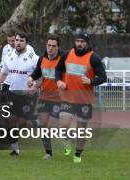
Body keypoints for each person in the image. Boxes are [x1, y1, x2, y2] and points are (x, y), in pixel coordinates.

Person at [54, 33, 107, 163]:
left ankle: (77, 154)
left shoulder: (94, 58)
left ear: (87, 43)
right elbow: (58, 69)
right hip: (68, 97)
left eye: (82, 41)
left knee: (81, 129)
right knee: (63, 124)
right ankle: (68, 141)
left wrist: (90, 81)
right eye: (77, 41)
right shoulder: (67, 54)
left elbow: (103, 77)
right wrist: (58, 81)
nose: (79, 43)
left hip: (85, 100)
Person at [0, 32, 39, 157]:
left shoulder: (33, 58)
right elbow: (4, 73)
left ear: (26, 42)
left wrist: (35, 86)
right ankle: (15, 148)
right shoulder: (9, 56)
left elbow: (42, 74)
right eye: (17, 40)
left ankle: (33, 121)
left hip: (28, 95)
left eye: (21, 40)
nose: (18, 43)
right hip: (13, 93)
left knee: (24, 123)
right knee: (11, 120)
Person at [27, 35, 63, 160]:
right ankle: (48, 153)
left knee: (51, 127)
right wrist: (33, 82)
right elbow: (39, 73)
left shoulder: (63, 61)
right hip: (44, 98)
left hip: (59, 99)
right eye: (49, 45)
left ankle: (68, 137)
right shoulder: (42, 59)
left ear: (58, 47)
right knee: (43, 126)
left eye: (53, 46)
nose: (51, 48)